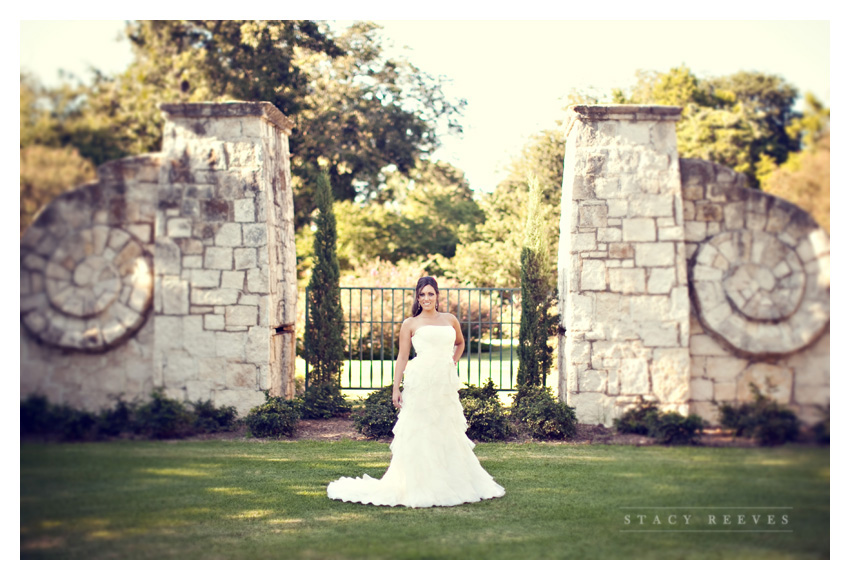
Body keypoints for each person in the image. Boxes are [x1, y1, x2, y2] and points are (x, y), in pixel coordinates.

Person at [327, 276, 505, 508]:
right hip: (420, 381)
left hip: (444, 382)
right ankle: (418, 483)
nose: (427, 298)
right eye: (422, 295)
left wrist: (452, 361)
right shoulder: (410, 323)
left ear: (437, 295)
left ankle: (452, 480)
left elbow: (460, 343)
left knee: (445, 428)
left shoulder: (450, 320)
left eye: (431, 294)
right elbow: (402, 357)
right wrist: (395, 388)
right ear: (418, 298)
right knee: (421, 429)